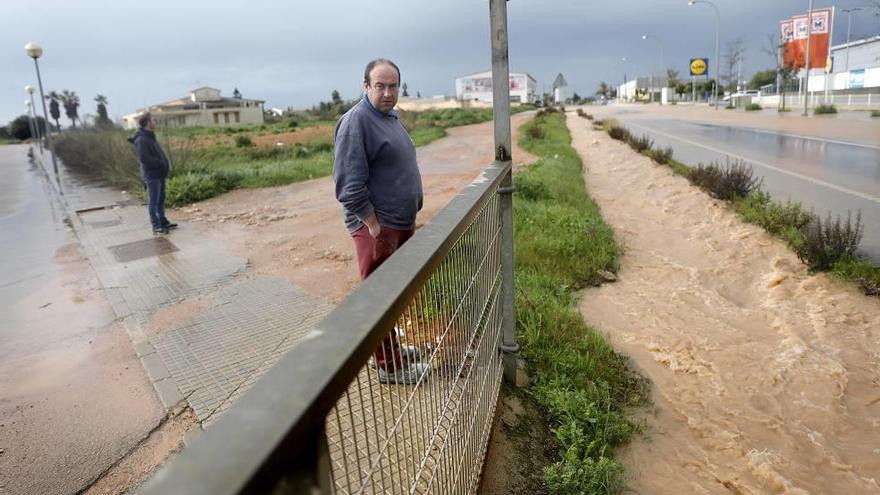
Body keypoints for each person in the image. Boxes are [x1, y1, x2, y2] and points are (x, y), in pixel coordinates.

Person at [333, 58, 427, 385]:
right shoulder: (356, 122)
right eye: (380, 86)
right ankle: (389, 366)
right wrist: (373, 226)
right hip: (379, 227)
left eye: (393, 86)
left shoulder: (388, 118)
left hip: (397, 224)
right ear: (366, 86)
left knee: (393, 293)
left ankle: (388, 351)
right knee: (379, 297)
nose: (387, 92)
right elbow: (348, 186)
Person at [131, 113, 177, 234]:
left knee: (161, 199)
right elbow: (144, 158)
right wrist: (159, 163)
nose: (155, 121)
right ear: (147, 122)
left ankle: (162, 221)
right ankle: (156, 225)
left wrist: (163, 164)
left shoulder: (149, 136)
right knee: (153, 201)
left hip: (159, 174)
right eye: (153, 120)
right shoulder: (141, 139)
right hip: (152, 174)